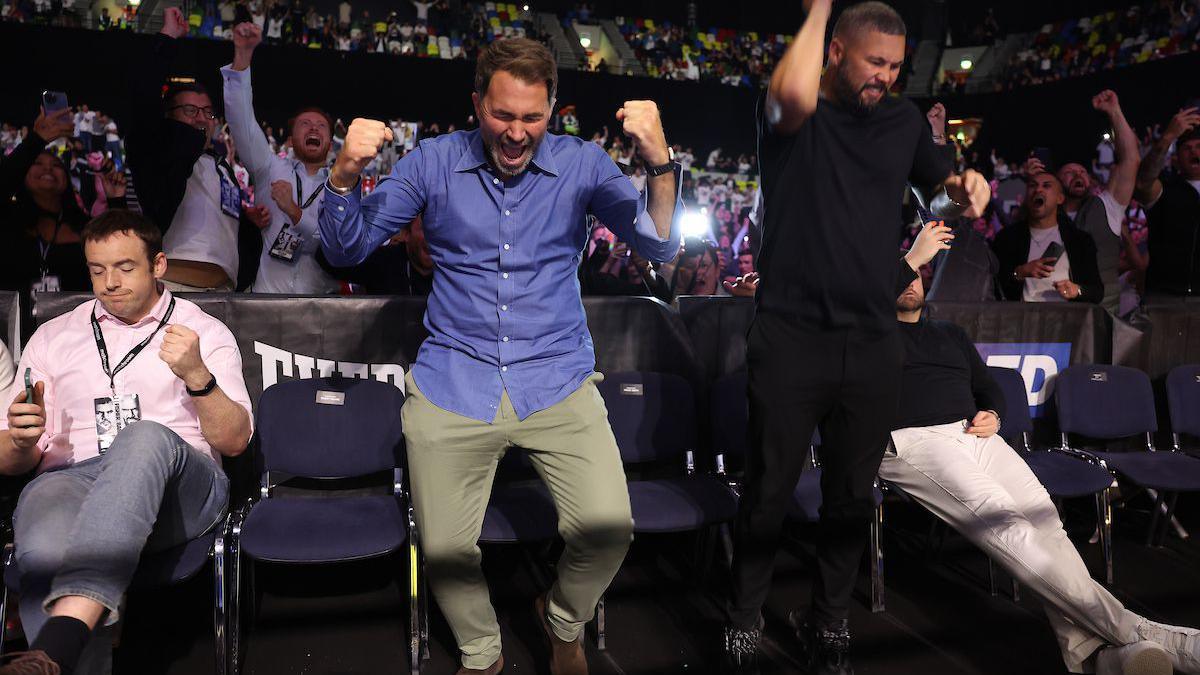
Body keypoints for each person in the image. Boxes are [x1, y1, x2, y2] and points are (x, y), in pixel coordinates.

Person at [319, 37, 682, 675]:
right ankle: (482, 652)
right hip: (453, 378)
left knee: (608, 529)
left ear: (554, 111)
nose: (516, 134)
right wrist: (345, 173)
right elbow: (347, 250)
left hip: (557, 379)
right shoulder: (433, 162)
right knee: (446, 548)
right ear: (475, 104)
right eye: (502, 115)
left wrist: (659, 164)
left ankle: (561, 620)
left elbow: (657, 248)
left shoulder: (584, 164)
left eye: (532, 118)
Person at [723, 2, 989, 672]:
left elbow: (943, 194)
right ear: (836, 51)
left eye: (897, 67)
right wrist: (817, 9)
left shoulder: (901, 121)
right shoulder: (795, 112)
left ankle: (830, 620)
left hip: (871, 342)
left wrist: (964, 187)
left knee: (850, 495)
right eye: (875, 62)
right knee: (767, 493)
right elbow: (787, 90)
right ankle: (744, 619)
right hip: (790, 335)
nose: (887, 78)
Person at [884, 273, 1200, 675]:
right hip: (916, 439)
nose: (909, 282)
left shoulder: (949, 333)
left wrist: (994, 413)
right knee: (1009, 524)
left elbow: (988, 384)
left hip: (975, 433)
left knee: (1047, 524)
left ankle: (1092, 655)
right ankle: (1142, 633)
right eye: (899, 272)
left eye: (915, 275)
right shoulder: (872, 335)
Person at [0, 209, 253, 675]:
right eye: (98, 270)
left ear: (158, 265)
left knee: (142, 439)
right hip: (73, 480)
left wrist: (198, 377)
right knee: (47, 530)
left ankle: (59, 640)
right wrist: (20, 440)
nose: (109, 282)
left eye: (125, 267)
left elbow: (235, 441)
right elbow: (12, 461)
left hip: (179, 490)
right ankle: (58, 652)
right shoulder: (53, 337)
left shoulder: (204, 332)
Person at [124, 7, 269, 293]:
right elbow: (143, 98)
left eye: (207, 112)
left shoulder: (221, 166)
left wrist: (245, 219)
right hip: (172, 287)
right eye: (190, 110)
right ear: (168, 116)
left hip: (224, 292)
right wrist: (167, 38)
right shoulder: (160, 153)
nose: (201, 118)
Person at [223, 21, 340, 294]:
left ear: (331, 142)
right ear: (291, 138)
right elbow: (242, 122)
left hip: (321, 309)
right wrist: (243, 56)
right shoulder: (269, 167)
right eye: (304, 124)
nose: (313, 128)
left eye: (321, 125)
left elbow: (331, 246)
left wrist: (293, 211)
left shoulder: (340, 189)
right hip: (265, 297)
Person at [1043, 90, 1139, 313]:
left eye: (1082, 171)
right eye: (1069, 172)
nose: (1078, 175)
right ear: (1056, 185)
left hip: (1102, 315)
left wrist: (1114, 112)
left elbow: (1130, 160)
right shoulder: (1045, 215)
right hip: (1055, 315)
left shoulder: (1107, 207)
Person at [992, 171, 1103, 303]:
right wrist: (1020, 272)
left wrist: (1077, 290)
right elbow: (992, 286)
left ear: (1060, 198)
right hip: (1021, 319)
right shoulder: (1007, 238)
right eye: (1033, 186)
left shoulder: (1079, 240)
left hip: (1066, 319)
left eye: (1046, 186)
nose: (1038, 189)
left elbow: (1097, 292)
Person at [1133, 106, 1200, 300]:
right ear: (1176, 159)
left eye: (1198, 146)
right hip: (1167, 297)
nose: (1194, 151)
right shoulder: (1165, 190)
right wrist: (1168, 137)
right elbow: (1142, 183)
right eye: (1187, 148)